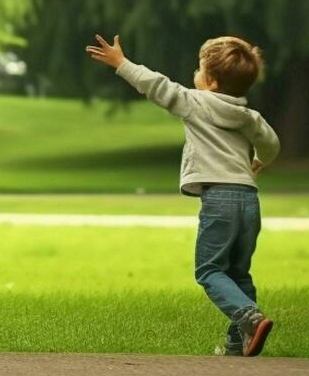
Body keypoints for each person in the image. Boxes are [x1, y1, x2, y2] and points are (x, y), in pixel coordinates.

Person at [86, 33, 281, 357]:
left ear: (212, 82)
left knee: (209, 271)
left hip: (219, 199)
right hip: (249, 200)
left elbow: (158, 86)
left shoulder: (196, 102)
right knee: (238, 272)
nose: (196, 74)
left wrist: (121, 63)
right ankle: (239, 341)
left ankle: (249, 317)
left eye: (200, 69)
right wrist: (260, 161)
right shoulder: (250, 117)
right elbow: (272, 144)